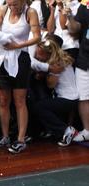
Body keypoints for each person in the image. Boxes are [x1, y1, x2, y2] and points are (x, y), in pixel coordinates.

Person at [0, 0, 41, 154]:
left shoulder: (30, 12)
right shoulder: (3, 10)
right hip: (2, 59)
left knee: (20, 100)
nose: (12, 7)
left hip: (20, 58)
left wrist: (17, 46)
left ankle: (21, 139)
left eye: (15, 4)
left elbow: (37, 37)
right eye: (9, 4)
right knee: (3, 100)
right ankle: (5, 136)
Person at [32, 36, 79, 145]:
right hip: (72, 98)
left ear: (48, 54)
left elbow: (51, 85)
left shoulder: (56, 63)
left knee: (39, 107)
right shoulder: (60, 59)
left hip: (68, 99)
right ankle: (62, 132)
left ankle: (65, 130)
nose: (37, 57)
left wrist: (45, 73)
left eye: (40, 54)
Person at [66, 0, 89, 143]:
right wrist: (69, 17)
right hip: (85, 58)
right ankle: (87, 130)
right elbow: (74, 29)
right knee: (83, 96)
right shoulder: (84, 5)